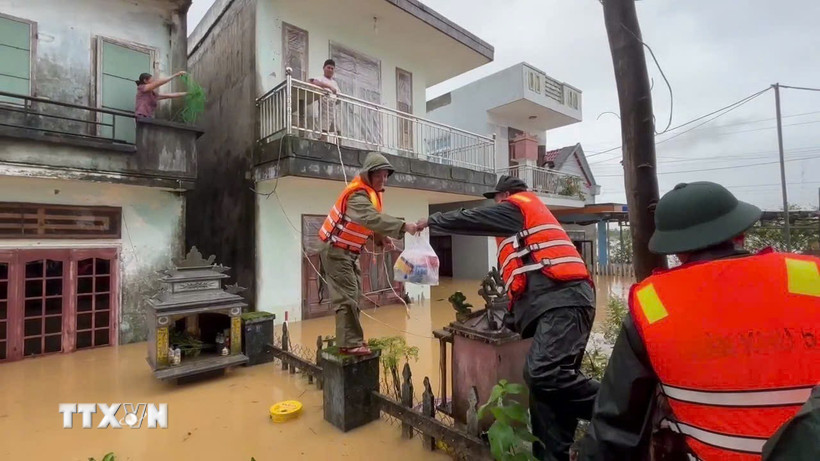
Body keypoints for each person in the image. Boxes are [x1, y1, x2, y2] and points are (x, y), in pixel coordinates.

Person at [579, 181, 820, 460]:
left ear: (675, 250)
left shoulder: (652, 303)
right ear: (741, 232)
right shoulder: (810, 275)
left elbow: (615, 426)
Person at [416, 175, 599, 461]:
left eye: (496, 199)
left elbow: (474, 219)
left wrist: (434, 221)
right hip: (555, 305)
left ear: (505, 195)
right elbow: (525, 279)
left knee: (542, 373)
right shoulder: (522, 230)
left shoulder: (517, 207)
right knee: (546, 395)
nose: (495, 205)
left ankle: (623, 407)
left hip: (565, 301)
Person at [319, 152, 419, 355]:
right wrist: (403, 226)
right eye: (378, 176)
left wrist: (382, 239)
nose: (383, 180)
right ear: (368, 175)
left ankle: (352, 340)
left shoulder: (371, 195)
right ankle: (349, 343)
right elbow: (370, 219)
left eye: (385, 175)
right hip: (336, 251)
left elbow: (368, 225)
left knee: (355, 294)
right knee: (347, 298)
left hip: (349, 254)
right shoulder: (357, 196)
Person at [308, 59, 340, 139]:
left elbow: (339, 95)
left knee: (338, 130)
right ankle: (322, 144)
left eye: (332, 69)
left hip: (333, 110)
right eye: (328, 68)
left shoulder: (335, 83)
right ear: (324, 68)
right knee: (323, 130)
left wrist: (336, 96)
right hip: (324, 109)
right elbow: (312, 82)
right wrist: (329, 87)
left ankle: (339, 147)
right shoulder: (320, 78)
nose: (330, 70)